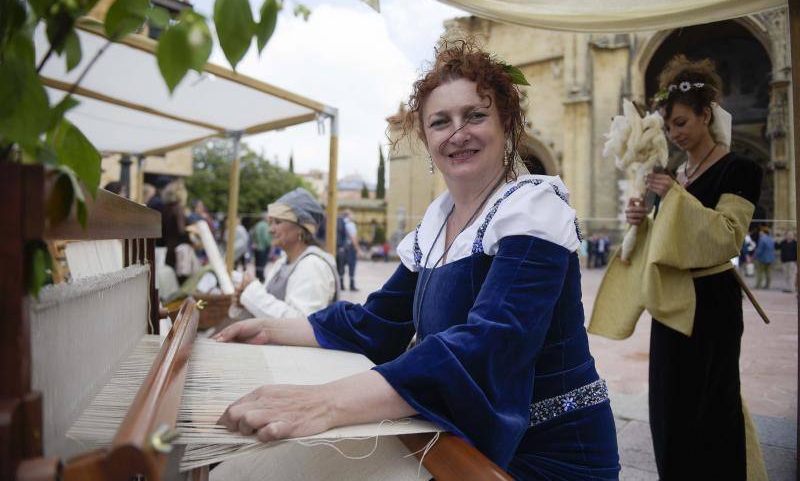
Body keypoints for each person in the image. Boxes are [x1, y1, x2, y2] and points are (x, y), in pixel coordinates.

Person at [213, 40, 620, 478]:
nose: (458, 133)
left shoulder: (534, 207)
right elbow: (376, 323)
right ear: (426, 139)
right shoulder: (435, 224)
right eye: (440, 122)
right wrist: (268, 328)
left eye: (475, 116)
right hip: (466, 440)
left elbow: (491, 343)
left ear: (507, 124)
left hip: (552, 452)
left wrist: (326, 402)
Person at [591, 55, 765, 479]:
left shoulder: (740, 169)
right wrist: (642, 223)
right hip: (670, 304)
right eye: (669, 127)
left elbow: (726, 236)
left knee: (712, 404)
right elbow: (667, 240)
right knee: (669, 406)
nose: (674, 134)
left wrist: (673, 198)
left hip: (712, 303)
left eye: (682, 123)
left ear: (706, 115)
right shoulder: (675, 174)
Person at [228, 188, 338, 319]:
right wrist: (245, 304)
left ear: (301, 228)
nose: (270, 230)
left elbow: (302, 322)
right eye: (270, 223)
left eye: (278, 222)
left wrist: (252, 293)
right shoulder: (282, 263)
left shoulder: (313, 266)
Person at [251, 212, 272, 282]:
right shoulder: (266, 225)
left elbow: (253, 235)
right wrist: (270, 244)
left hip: (257, 247)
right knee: (262, 263)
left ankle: (257, 277)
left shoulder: (257, 225)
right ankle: (261, 278)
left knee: (257, 263)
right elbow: (266, 237)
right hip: (263, 247)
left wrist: (255, 243)